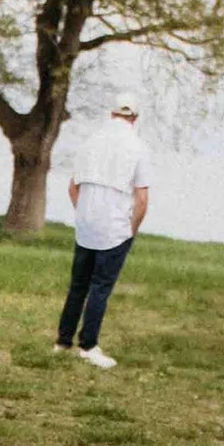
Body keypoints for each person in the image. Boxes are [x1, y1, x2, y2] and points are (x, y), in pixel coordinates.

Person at [54, 93, 152, 367]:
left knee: (78, 285)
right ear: (135, 118)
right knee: (100, 287)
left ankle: (62, 341)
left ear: (111, 114)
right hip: (115, 228)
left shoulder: (90, 142)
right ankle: (88, 344)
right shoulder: (139, 148)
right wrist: (131, 229)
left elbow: (73, 187)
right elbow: (142, 199)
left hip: (86, 224)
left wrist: (84, 213)